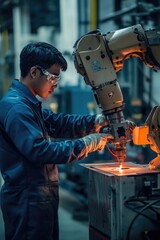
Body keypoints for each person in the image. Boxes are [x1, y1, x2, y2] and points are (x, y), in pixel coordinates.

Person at [0, 42, 113, 240]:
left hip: (39, 195)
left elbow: (58, 122)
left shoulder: (28, 103)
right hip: (28, 198)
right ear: (34, 72)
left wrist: (97, 122)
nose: (56, 83)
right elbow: (40, 151)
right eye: (53, 77)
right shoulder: (16, 107)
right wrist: (88, 144)